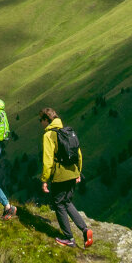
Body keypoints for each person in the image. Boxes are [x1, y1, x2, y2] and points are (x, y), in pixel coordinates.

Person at [39, 106, 92, 247]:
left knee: (58, 204)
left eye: (41, 120)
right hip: (73, 172)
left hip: (60, 175)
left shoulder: (49, 135)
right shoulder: (68, 131)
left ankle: (69, 238)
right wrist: (78, 172)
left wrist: (44, 179)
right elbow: (78, 154)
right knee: (67, 201)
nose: (40, 123)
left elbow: (48, 160)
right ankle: (85, 229)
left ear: (46, 119)